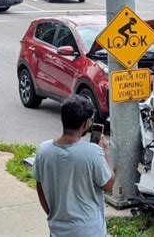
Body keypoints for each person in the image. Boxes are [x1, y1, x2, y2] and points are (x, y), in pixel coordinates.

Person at [32, 95, 115, 236]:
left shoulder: (43, 150)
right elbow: (108, 185)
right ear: (85, 124)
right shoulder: (93, 152)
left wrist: (51, 214)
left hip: (57, 229)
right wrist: (106, 155)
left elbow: (40, 187)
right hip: (89, 231)